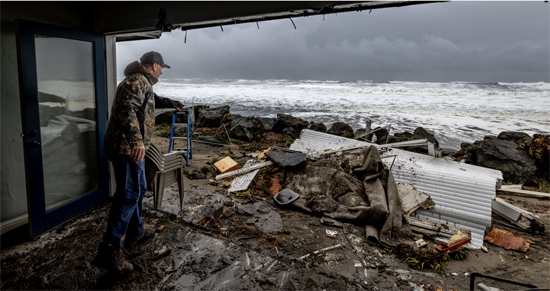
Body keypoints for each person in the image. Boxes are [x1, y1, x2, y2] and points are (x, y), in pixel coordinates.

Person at [93, 51, 183, 274]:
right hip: (128, 149)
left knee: (138, 189)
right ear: (154, 66)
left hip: (130, 148)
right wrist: (136, 141)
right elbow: (127, 109)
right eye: (161, 67)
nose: (162, 71)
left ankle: (136, 231)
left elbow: (151, 101)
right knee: (129, 194)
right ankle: (110, 249)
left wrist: (172, 103)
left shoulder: (142, 83)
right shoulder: (137, 80)